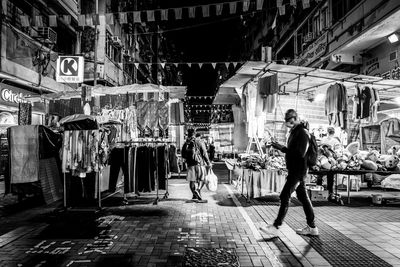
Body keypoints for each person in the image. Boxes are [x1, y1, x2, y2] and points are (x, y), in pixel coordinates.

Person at [260, 109, 319, 237]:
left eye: (291, 120)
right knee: (303, 197)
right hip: (296, 170)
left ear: (295, 119)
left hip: (298, 171)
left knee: (284, 196)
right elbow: (294, 151)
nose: (289, 122)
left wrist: (283, 148)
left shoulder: (302, 133)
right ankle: (312, 227)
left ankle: (276, 226)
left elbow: (300, 153)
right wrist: (280, 147)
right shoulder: (295, 132)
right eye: (287, 120)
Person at [182, 128, 212, 201]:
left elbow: (183, 154)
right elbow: (204, 153)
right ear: (194, 134)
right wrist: (208, 162)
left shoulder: (186, 143)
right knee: (202, 179)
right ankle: (198, 190)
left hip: (190, 164)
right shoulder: (199, 141)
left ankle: (194, 194)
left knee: (192, 181)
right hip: (200, 164)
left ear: (188, 134)